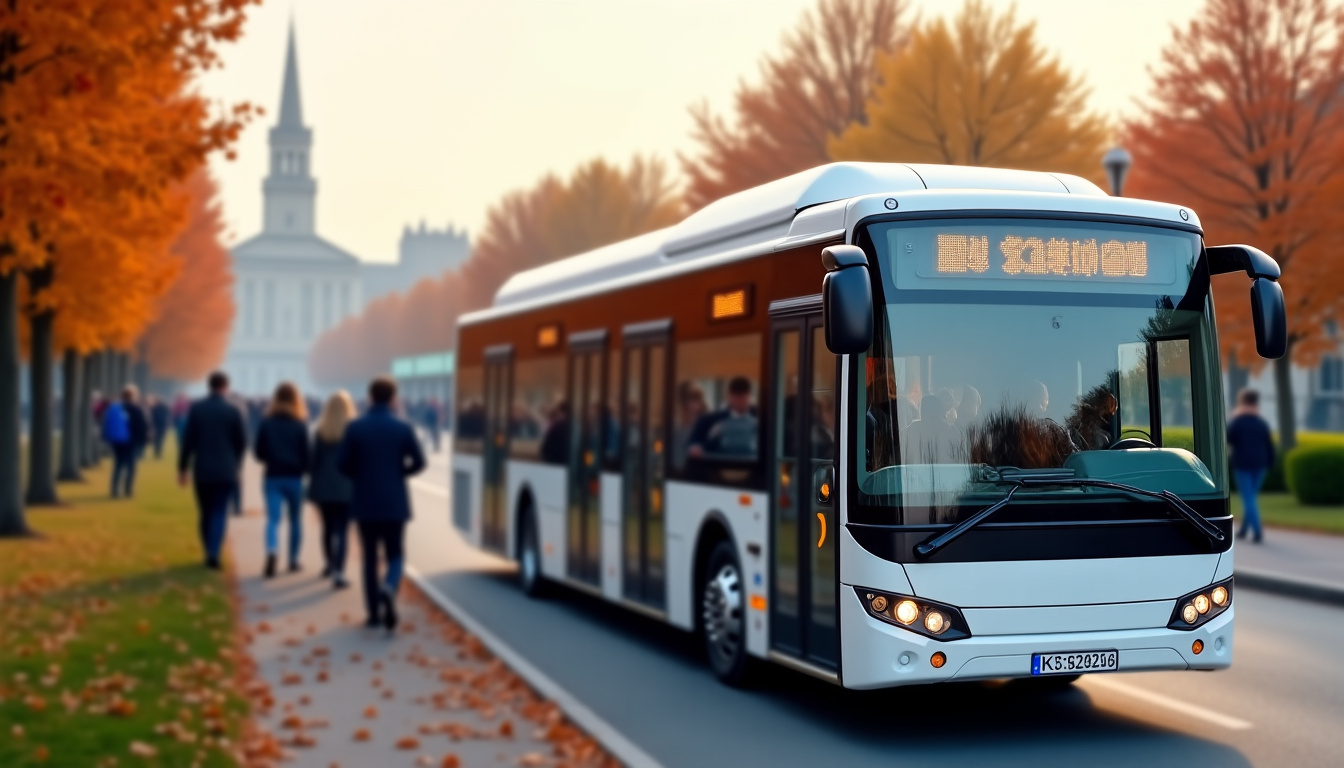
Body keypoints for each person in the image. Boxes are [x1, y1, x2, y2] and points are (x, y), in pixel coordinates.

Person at [339, 376, 426, 632]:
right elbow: (420, 462)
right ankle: (390, 586)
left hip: (365, 500)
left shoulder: (355, 427)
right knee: (395, 553)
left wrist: (362, 474)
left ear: (370, 397)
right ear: (393, 398)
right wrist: (399, 473)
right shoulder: (403, 427)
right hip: (394, 501)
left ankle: (373, 613)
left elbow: (342, 464)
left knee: (369, 557)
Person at [179, 371, 247, 569]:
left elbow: (188, 442)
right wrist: (237, 465)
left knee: (205, 512)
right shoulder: (233, 411)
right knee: (219, 511)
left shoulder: (197, 408)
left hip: (203, 468)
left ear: (209, 386)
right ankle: (214, 552)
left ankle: (208, 549)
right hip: (226, 469)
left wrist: (183, 468)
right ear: (225, 387)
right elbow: (242, 443)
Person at [254, 382, 310, 578]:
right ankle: (293, 560)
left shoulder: (267, 422)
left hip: (273, 475)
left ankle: (272, 550)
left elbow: (259, 453)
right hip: (295, 477)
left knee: (273, 519)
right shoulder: (300, 424)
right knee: (295, 520)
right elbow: (307, 454)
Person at [309, 391, 356, 589]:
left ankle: (328, 563)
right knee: (343, 531)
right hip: (347, 486)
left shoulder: (320, 431)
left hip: (323, 486)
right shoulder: (353, 430)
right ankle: (339, 570)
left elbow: (313, 462)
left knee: (327, 528)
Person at [1228, 388, 1275, 543]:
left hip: (1242, 463)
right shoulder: (1261, 422)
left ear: (1241, 402)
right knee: (1251, 497)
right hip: (1260, 464)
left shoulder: (1238, 422)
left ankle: (1257, 531)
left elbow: (1229, 439)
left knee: (1249, 498)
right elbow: (1269, 445)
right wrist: (1271, 463)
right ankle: (1244, 529)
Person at [687, 376, 758, 459]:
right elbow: (693, 443)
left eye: (743, 397)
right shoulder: (709, 420)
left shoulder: (761, 418)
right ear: (729, 396)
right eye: (736, 397)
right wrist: (696, 448)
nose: (739, 401)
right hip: (717, 467)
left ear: (749, 396)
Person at [103, 389, 133, 498]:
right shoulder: (132, 408)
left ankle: (114, 489)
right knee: (130, 466)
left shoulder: (113, 408)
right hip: (128, 441)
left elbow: (105, 422)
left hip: (115, 440)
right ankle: (128, 489)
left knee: (118, 465)